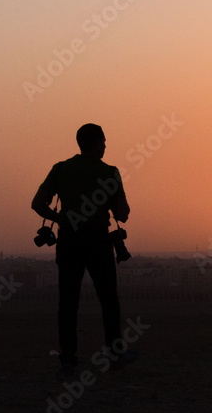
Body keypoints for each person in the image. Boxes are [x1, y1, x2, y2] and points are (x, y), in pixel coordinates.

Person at [31, 123, 135, 376]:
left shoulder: (60, 169)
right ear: (97, 142)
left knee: (68, 301)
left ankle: (68, 360)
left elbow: (37, 204)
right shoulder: (111, 172)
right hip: (98, 240)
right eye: (104, 141)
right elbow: (122, 214)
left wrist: (61, 219)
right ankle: (115, 354)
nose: (106, 146)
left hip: (69, 239)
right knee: (109, 299)